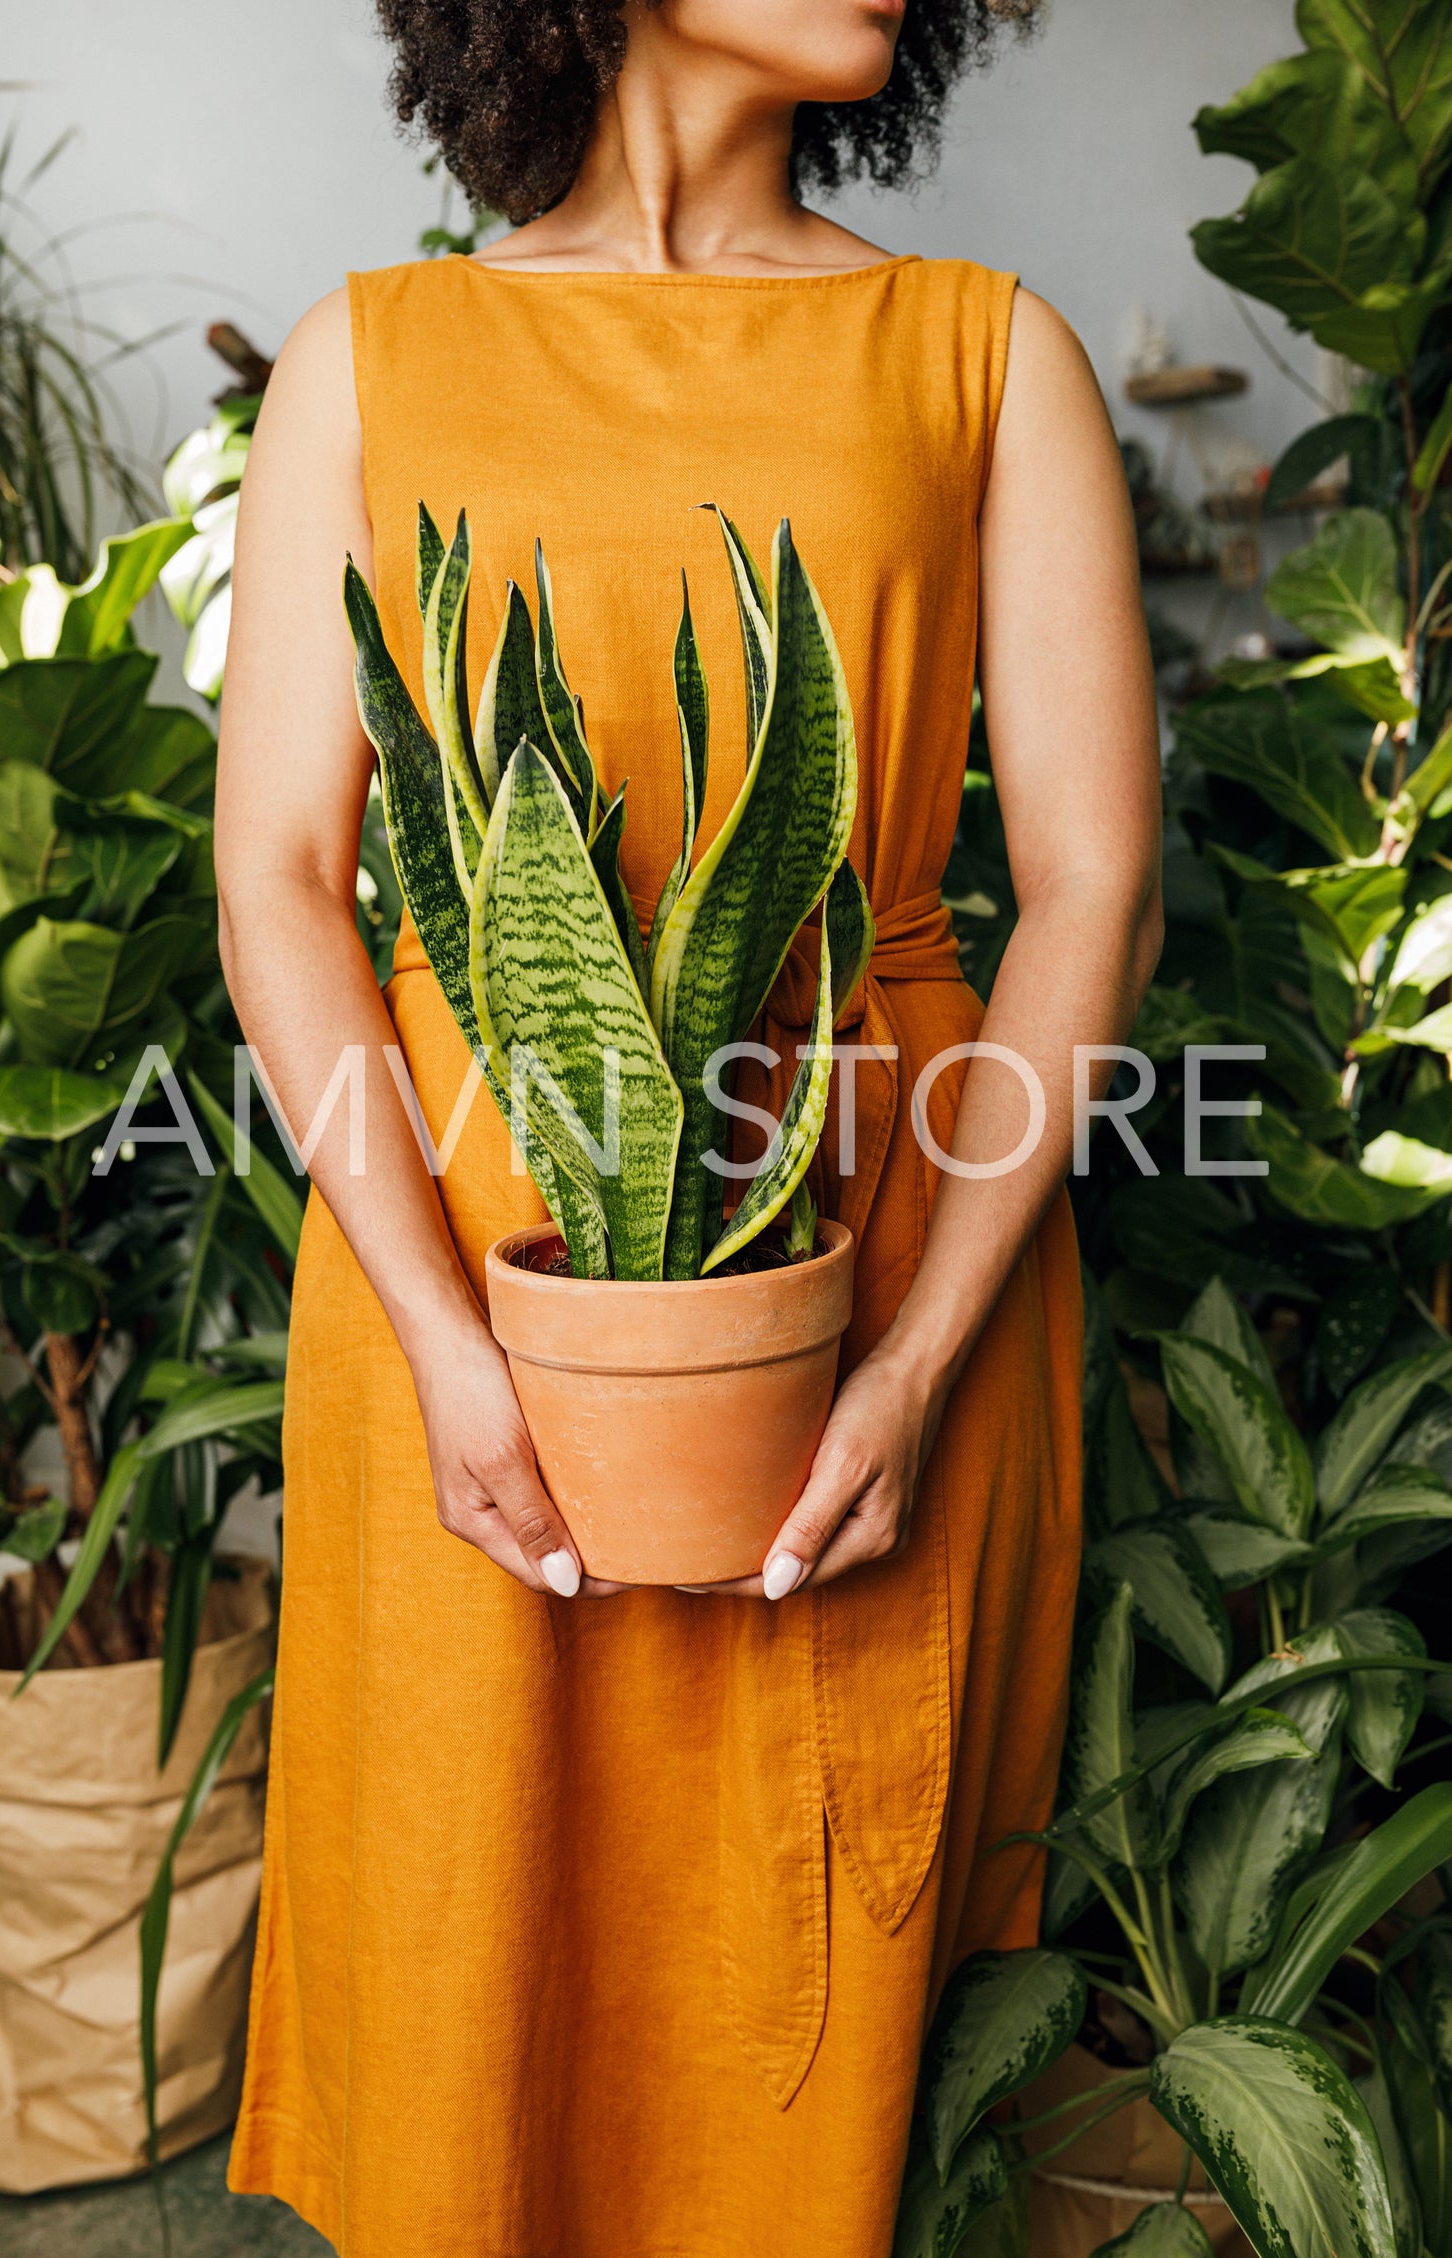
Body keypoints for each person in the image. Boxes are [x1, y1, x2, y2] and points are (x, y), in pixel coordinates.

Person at [217, 3, 1162, 2252]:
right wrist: (446, 1344)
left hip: (887, 1268)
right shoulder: (372, 358)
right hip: (459, 1265)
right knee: (486, 2024)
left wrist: (920, 1357)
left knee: (832, 2025)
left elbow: (1093, 879)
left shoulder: (981, 355)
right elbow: (276, 875)